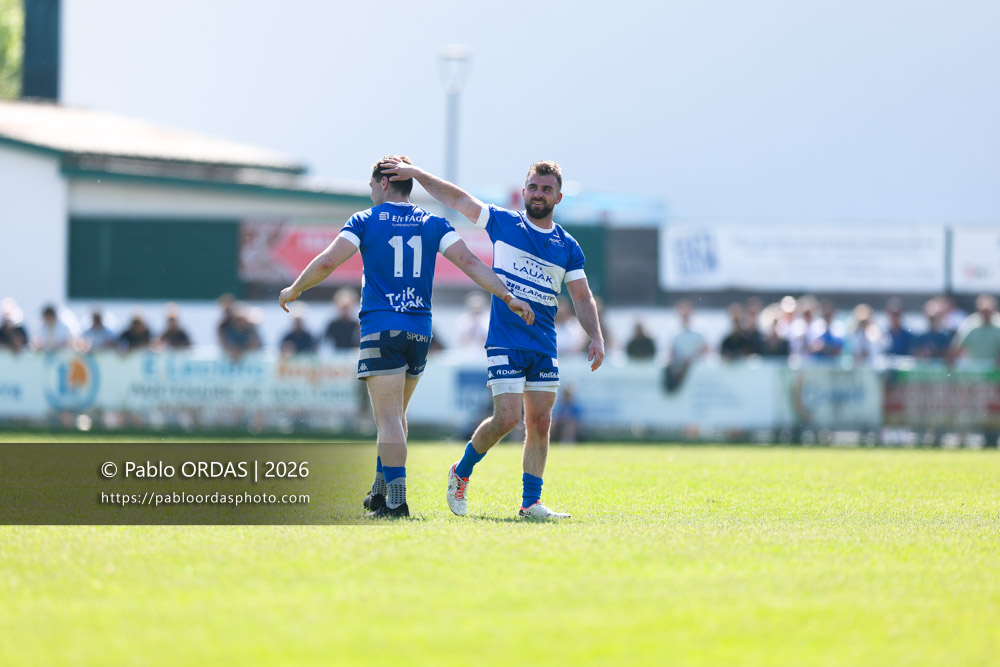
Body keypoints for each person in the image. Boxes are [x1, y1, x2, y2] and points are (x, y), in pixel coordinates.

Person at [279, 155, 535, 518]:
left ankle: (396, 501)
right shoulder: (433, 222)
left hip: (381, 327)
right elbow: (472, 263)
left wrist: (294, 288)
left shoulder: (366, 220)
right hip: (418, 331)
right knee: (397, 416)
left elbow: (326, 262)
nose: (371, 193)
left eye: (371, 186)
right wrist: (507, 295)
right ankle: (381, 491)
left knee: (387, 419)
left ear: (384, 184)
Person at [382, 157, 604, 520]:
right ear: (523, 191)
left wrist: (595, 336)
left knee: (541, 422)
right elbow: (458, 200)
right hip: (504, 339)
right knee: (506, 418)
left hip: (543, 343)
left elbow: (582, 296)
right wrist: (419, 175)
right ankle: (461, 471)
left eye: (546, 189)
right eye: (533, 187)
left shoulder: (568, 245)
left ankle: (531, 503)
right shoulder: (504, 222)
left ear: (558, 198)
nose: (538, 194)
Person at [949, 294, 1000, 366]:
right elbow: (956, 348)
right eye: (983, 311)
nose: (985, 314)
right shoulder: (969, 324)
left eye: (988, 311)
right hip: (973, 369)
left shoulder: (998, 325)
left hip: (994, 371)